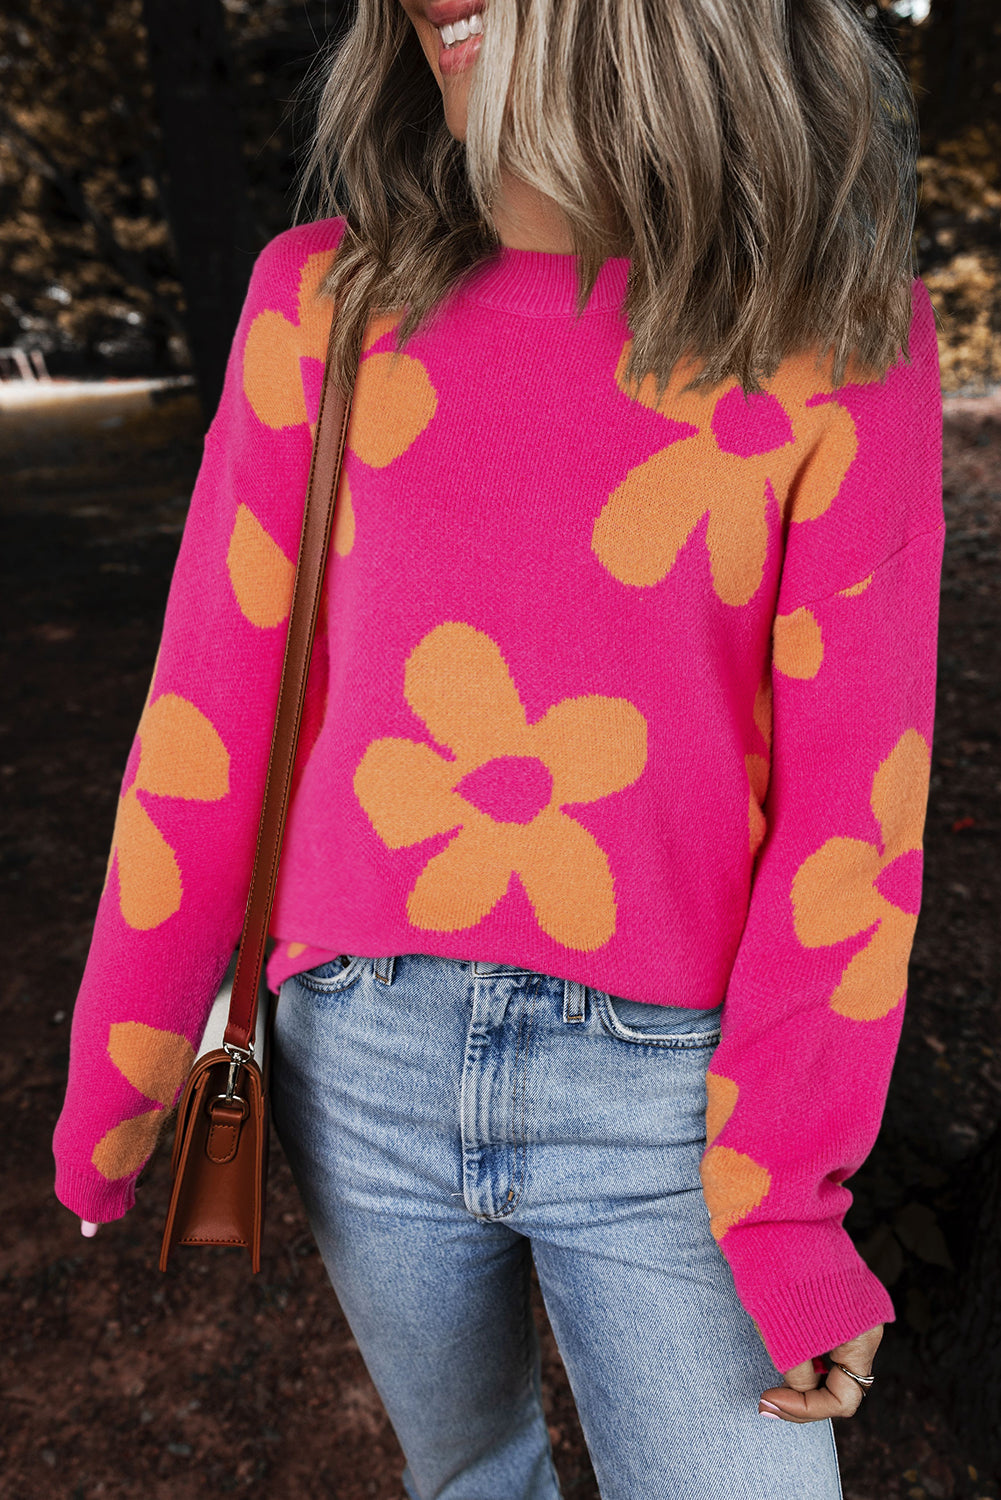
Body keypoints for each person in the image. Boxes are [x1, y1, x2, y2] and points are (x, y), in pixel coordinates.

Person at [53, 1, 945, 1495]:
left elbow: (854, 823)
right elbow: (206, 722)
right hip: (358, 1059)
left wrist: (786, 1204)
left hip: (668, 1106)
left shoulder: (837, 337)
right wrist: (119, 1080)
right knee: (466, 1476)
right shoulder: (321, 304)